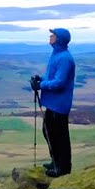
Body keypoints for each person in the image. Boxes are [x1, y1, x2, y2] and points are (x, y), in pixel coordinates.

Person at [30, 27, 76, 177]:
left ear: (59, 38)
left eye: (53, 34)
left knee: (58, 136)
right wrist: (41, 80)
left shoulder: (64, 58)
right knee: (49, 132)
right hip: (54, 103)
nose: (50, 36)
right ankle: (56, 162)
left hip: (59, 104)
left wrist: (41, 85)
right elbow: (52, 78)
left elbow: (59, 82)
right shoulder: (57, 54)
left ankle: (62, 168)